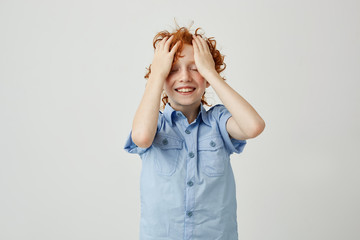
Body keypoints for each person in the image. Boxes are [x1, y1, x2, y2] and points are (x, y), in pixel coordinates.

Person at [124, 25, 265, 240]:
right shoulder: (156, 124)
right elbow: (142, 137)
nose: (184, 77)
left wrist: (210, 72)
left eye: (195, 68)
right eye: (172, 69)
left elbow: (253, 126)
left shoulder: (218, 122)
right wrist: (156, 75)